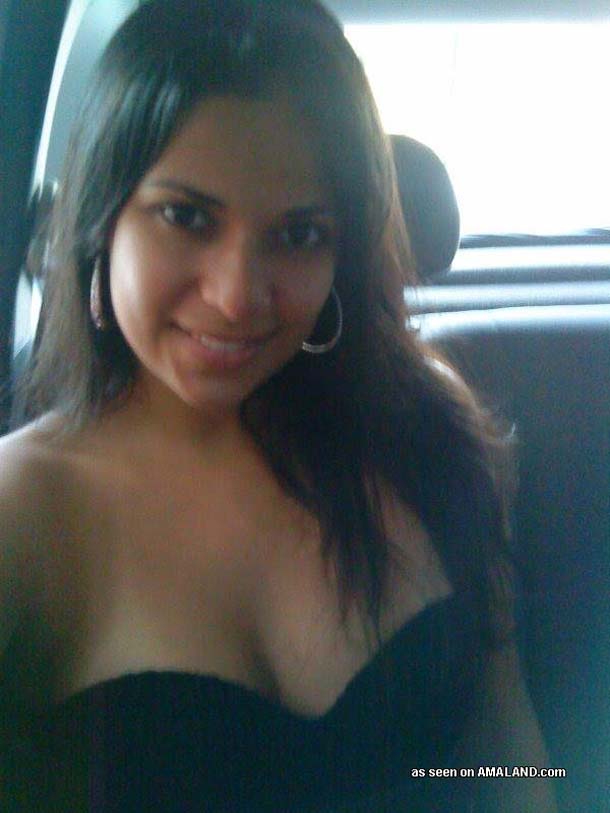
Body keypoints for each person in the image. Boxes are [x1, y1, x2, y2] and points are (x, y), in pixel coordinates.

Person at [0, 0, 556, 810]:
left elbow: (506, 755)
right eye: (186, 216)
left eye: (298, 234)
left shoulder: (432, 428)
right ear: (102, 222)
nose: (237, 297)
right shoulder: (22, 512)